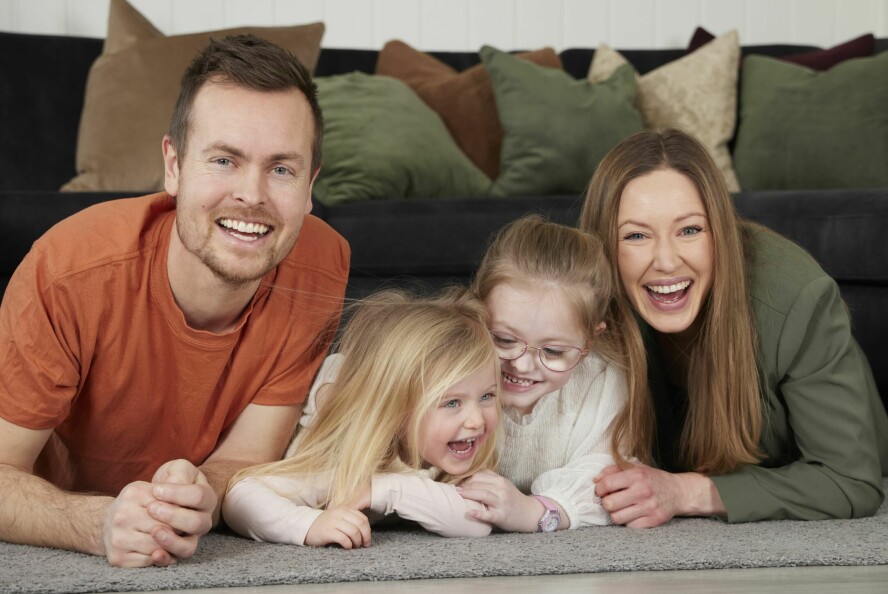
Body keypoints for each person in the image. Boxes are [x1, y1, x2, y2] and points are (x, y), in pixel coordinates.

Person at [0, 35, 349, 566]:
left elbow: (248, 457)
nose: (252, 195)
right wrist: (98, 524)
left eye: (282, 168)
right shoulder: (66, 272)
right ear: (174, 165)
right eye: (224, 160)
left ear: (309, 186)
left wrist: (201, 493)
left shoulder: (322, 264)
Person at [579, 128, 888, 526]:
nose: (667, 261)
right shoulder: (590, 301)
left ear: (719, 231)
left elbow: (848, 480)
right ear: (604, 245)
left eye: (690, 230)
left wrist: (686, 492)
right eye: (636, 235)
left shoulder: (798, 296)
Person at [222, 290, 499, 548]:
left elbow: (477, 520)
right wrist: (309, 525)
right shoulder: (342, 461)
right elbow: (241, 497)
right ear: (395, 409)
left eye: (487, 396)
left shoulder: (455, 450)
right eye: (452, 403)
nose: (476, 420)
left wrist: (385, 489)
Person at [457, 215, 628, 532]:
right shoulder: (448, 360)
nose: (521, 366)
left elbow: (605, 476)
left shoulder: (603, 383)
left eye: (553, 351)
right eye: (504, 340)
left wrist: (534, 511)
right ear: (476, 311)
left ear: (590, 341)